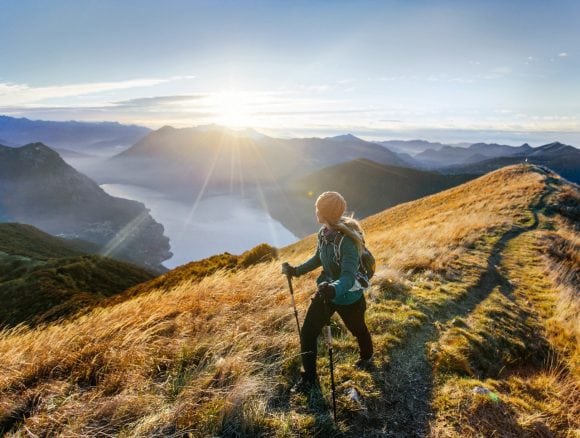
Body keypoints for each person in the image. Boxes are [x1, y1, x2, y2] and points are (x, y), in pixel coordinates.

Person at [281, 191, 374, 392]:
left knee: (358, 330)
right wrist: (295, 271)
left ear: (324, 212)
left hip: (348, 297)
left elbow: (349, 277)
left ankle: (367, 357)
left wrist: (334, 288)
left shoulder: (347, 241)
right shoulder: (323, 233)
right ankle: (309, 379)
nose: (315, 211)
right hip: (327, 293)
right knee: (307, 333)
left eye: (318, 208)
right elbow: (318, 258)